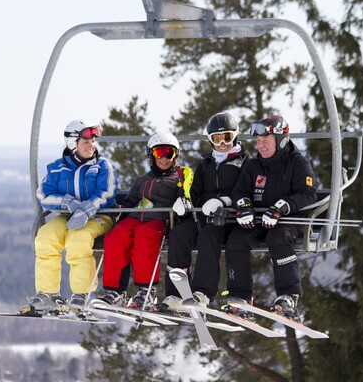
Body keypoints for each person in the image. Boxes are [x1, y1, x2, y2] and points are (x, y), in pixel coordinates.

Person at [223, 114, 317, 321]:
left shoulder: (298, 163)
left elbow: (308, 193)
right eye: (258, 141)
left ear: (281, 140)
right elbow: (240, 191)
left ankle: (288, 296)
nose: (261, 145)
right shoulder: (253, 165)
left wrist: (283, 207)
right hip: (259, 218)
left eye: (266, 141)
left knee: (278, 238)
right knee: (237, 240)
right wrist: (244, 206)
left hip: (289, 220)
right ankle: (240, 297)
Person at [92, 132, 192, 311]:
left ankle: (146, 290)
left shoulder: (178, 178)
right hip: (135, 217)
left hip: (159, 220)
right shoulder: (142, 180)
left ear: (175, 156)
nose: (164, 158)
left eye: (169, 153)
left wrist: (181, 200)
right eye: (159, 153)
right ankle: (116, 292)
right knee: (115, 236)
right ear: (151, 156)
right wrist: (120, 212)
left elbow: (185, 197)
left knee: (144, 237)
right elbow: (130, 201)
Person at [160, 112, 249, 311]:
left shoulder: (245, 161)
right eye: (217, 138)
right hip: (203, 214)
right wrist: (185, 201)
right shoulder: (206, 163)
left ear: (235, 135)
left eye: (227, 137)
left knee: (208, 236)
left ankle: (202, 293)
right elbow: (195, 190)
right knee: (179, 235)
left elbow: (246, 190)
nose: (223, 143)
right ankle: (175, 293)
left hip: (228, 217)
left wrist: (224, 202)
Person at [27, 119, 118, 311]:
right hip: (65, 216)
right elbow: (43, 194)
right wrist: (66, 202)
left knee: (78, 240)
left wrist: (86, 209)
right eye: (86, 142)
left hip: (98, 217)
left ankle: (81, 294)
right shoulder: (57, 168)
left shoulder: (102, 166)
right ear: (72, 143)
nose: (91, 146)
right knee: (45, 237)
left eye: (93, 142)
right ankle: (47, 293)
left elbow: (107, 193)